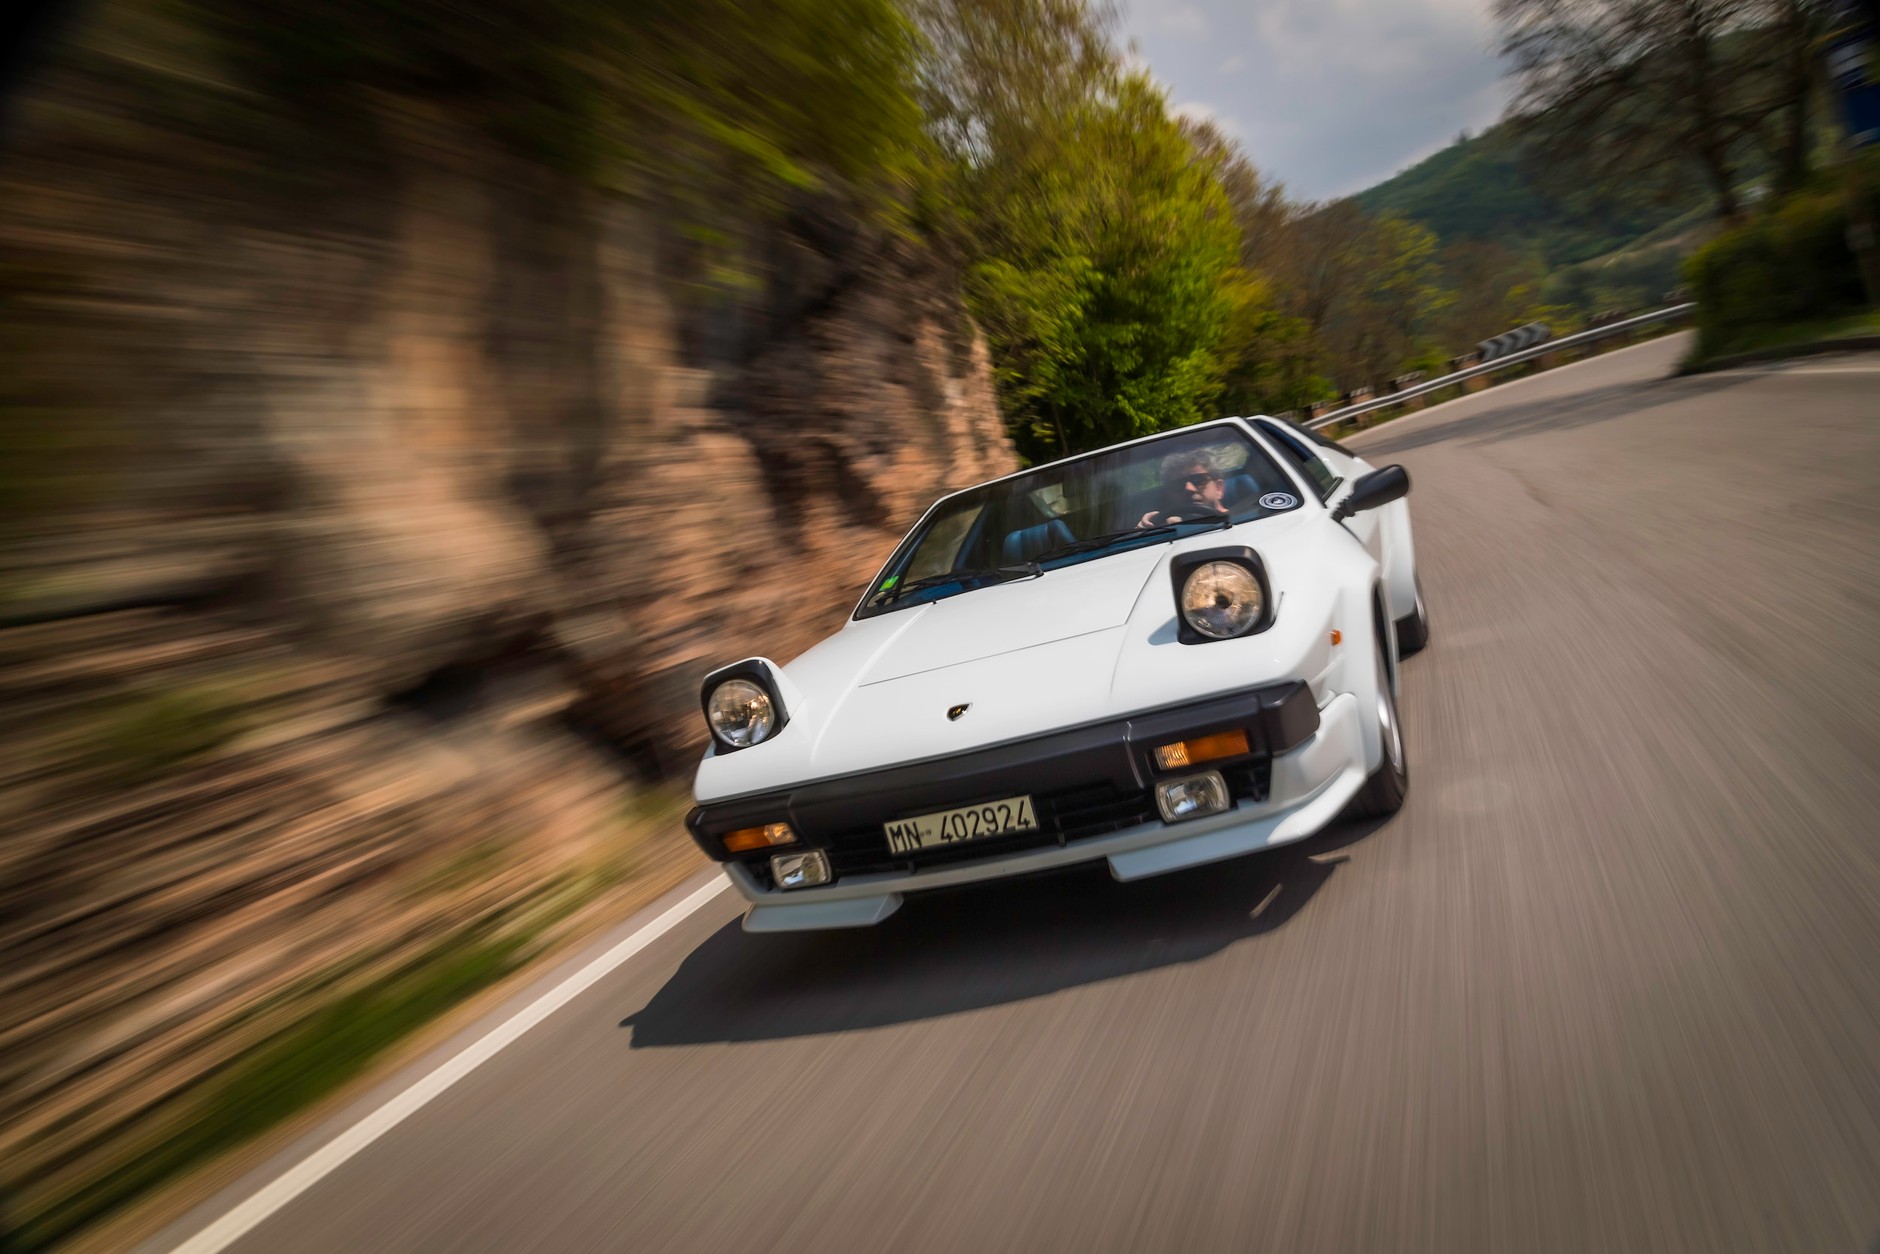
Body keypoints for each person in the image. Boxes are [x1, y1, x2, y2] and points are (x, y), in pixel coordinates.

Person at [1136, 451, 1230, 527]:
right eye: (1178, 484)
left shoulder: (1238, 522)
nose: (1189, 488)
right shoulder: (1166, 527)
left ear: (1218, 488)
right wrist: (1148, 530)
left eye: (1198, 480)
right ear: (1169, 495)